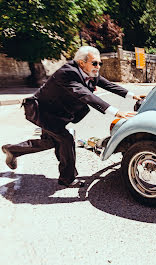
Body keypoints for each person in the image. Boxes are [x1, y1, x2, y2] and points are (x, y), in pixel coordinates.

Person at [1, 46, 144, 187]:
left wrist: (132, 95)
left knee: (49, 142)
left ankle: (12, 150)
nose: (98, 66)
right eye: (95, 63)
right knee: (66, 139)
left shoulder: (90, 73)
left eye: (100, 63)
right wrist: (115, 111)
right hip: (44, 113)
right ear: (82, 62)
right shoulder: (67, 73)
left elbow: (108, 85)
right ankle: (67, 178)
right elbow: (86, 95)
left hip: (57, 114)